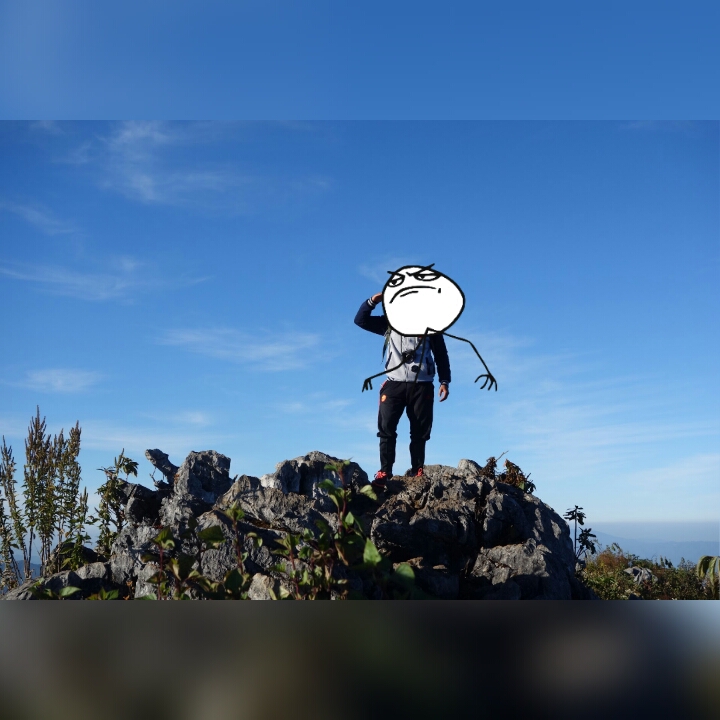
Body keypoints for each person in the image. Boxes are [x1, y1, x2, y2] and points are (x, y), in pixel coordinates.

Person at [354, 290, 451, 491]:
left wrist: (445, 381)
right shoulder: (389, 324)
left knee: (420, 431)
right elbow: (361, 320)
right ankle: (385, 472)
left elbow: (441, 354)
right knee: (386, 429)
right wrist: (372, 301)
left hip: (422, 384)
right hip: (394, 384)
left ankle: (417, 470)